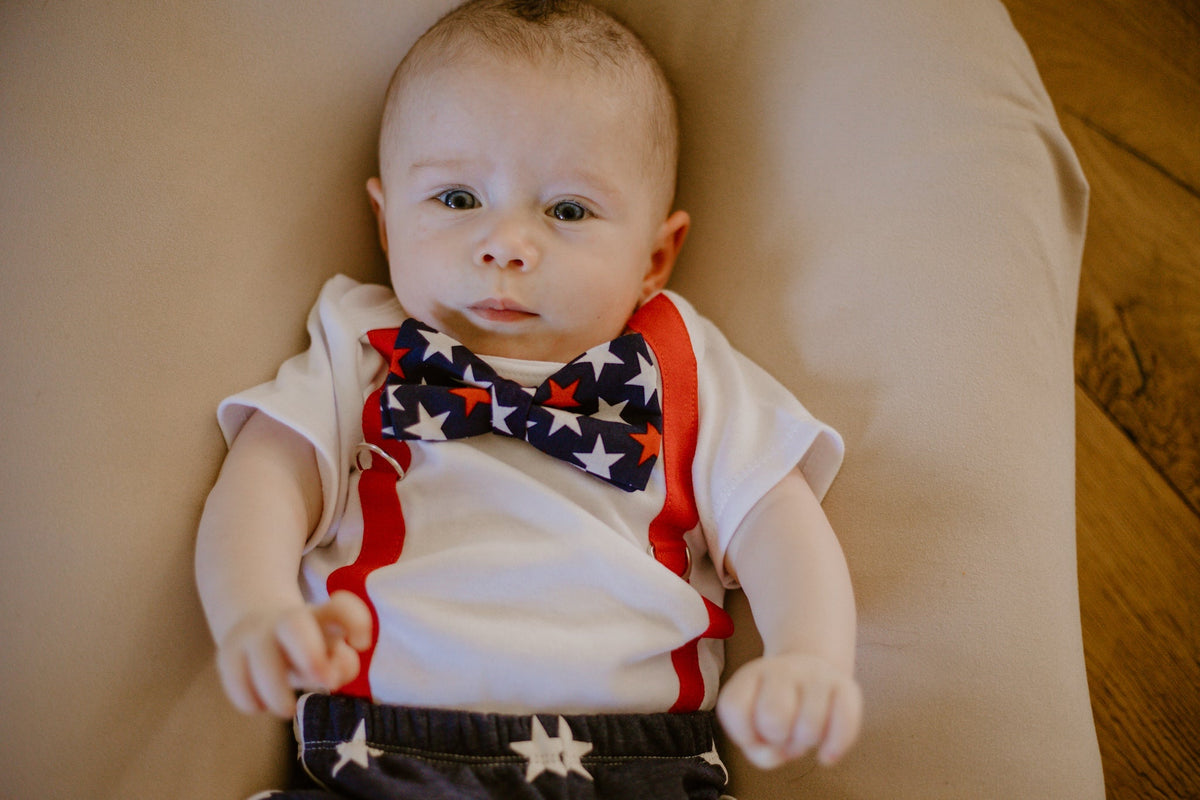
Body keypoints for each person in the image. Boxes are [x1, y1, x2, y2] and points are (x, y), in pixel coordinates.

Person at [195, 1, 862, 796]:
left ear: (655, 257)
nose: (506, 244)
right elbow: (266, 476)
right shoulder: (361, 343)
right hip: (381, 750)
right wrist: (256, 611)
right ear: (384, 220)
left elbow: (777, 519)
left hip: (637, 759)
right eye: (456, 199)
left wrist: (808, 656)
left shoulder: (678, 359)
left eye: (567, 211)